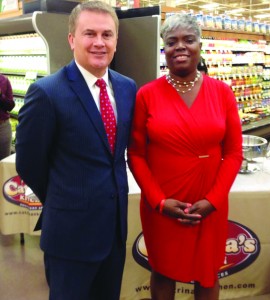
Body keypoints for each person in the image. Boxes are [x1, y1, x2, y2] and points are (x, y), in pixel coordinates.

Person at [16, 1, 136, 299]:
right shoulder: (47, 92)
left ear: (116, 41)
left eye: (107, 34)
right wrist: (65, 196)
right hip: (69, 236)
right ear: (72, 39)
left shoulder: (127, 88)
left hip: (114, 232)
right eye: (89, 33)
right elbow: (29, 163)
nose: (99, 42)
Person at [127, 13, 243, 300]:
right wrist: (159, 201)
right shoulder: (147, 95)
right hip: (164, 204)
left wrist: (214, 200)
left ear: (199, 46)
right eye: (171, 41)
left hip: (210, 203)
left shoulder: (223, 93)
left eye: (188, 40)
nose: (180, 46)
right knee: (163, 270)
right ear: (163, 49)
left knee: (207, 273)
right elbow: (136, 154)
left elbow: (233, 153)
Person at [0, 74, 15, 161]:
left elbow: (10, 106)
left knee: (4, 162)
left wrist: (0, 95)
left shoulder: (4, 80)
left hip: (3, 127)